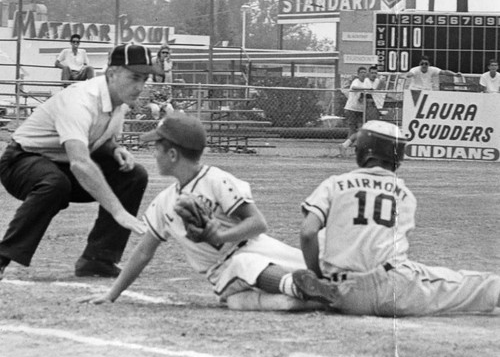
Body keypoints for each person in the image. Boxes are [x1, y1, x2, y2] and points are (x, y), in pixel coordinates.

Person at [81, 113, 336, 311]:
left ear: (172, 154)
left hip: (260, 247)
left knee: (319, 268)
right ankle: (300, 289)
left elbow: (258, 224)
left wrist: (221, 236)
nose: (153, 152)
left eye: (156, 147)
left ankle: (322, 293)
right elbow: (143, 252)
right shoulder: (163, 203)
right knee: (241, 274)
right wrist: (111, 294)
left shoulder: (216, 180)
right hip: (223, 269)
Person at [297, 120, 500, 316]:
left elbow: (308, 232)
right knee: (463, 284)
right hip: (393, 287)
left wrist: (318, 276)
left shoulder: (335, 183)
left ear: (363, 151)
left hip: (343, 294)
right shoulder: (404, 194)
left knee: (328, 237)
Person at [0, 43, 164, 280]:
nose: (140, 86)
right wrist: (118, 211)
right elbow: (80, 163)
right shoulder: (81, 100)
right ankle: (3, 255)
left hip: (60, 162)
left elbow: (94, 137)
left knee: (133, 174)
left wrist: (114, 148)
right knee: (55, 183)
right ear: (112, 73)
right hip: (20, 161)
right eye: (134, 77)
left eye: (145, 78)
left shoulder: (119, 101)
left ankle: (98, 259)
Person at [339, 66, 380, 156]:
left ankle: (347, 146)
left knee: (362, 130)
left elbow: (367, 95)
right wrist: (366, 90)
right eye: (361, 72)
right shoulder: (356, 81)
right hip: (351, 108)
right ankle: (347, 148)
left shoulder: (368, 82)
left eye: (365, 72)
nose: (363, 74)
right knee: (353, 129)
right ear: (358, 74)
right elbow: (354, 88)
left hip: (362, 110)